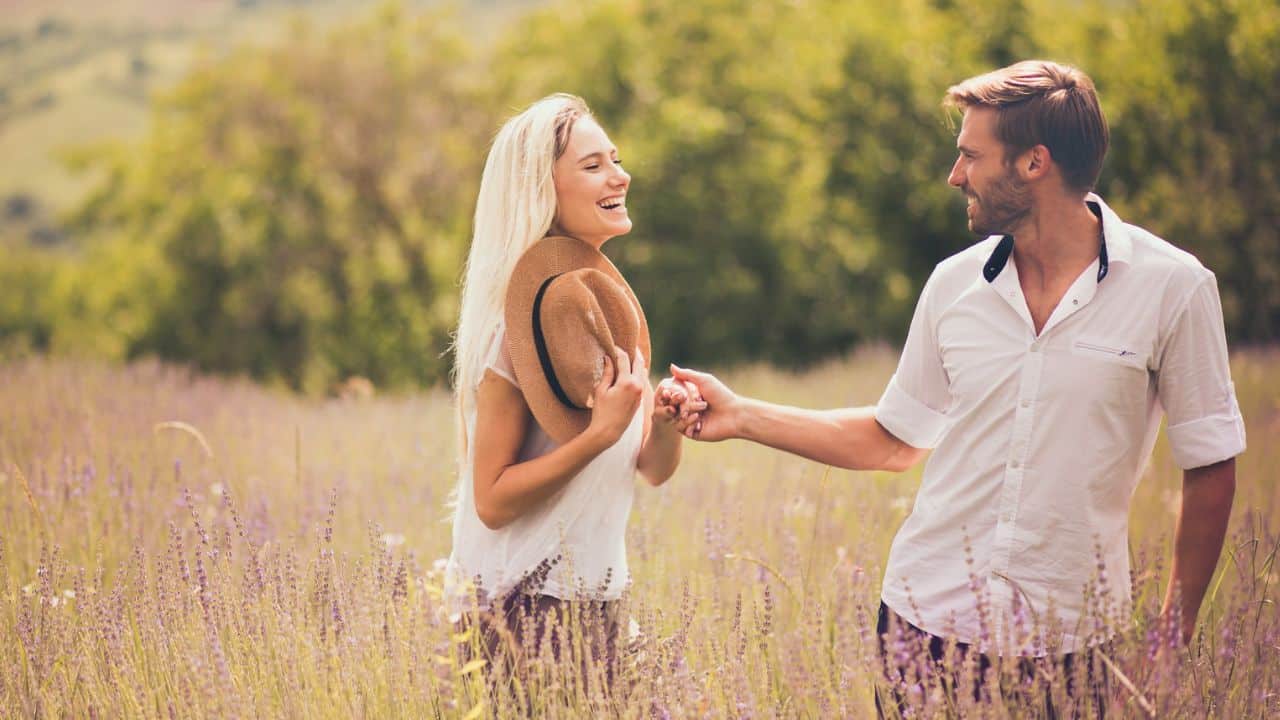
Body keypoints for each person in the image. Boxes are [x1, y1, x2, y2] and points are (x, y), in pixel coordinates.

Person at [662, 60, 1244, 715]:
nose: (955, 175)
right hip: (923, 628)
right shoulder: (953, 286)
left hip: (1074, 649)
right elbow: (893, 441)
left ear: (1034, 163)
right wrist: (741, 414)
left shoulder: (1174, 288)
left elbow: (1210, 463)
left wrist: (1172, 638)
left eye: (971, 155)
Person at [444, 94, 703, 693]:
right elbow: (492, 499)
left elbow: (651, 471)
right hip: (519, 612)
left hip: (602, 602)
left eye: (614, 159)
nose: (621, 175)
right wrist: (600, 435)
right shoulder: (515, 332)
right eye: (593, 166)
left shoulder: (602, 314)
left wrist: (662, 421)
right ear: (542, 189)